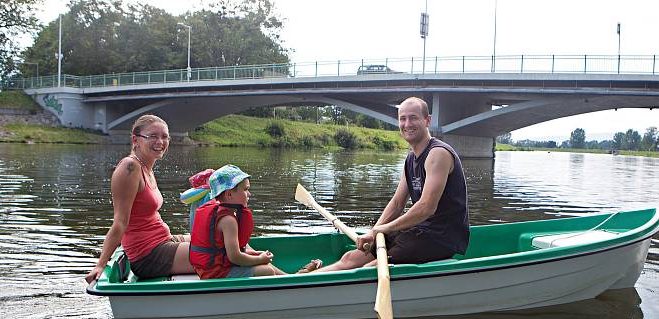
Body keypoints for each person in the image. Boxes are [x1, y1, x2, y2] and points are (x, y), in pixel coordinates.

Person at [304, 96, 469, 273]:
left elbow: (426, 207)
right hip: (419, 230)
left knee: (371, 268)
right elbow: (397, 203)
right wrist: (374, 232)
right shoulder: (411, 158)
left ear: (427, 120)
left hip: (441, 237)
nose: (407, 124)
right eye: (402, 119)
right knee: (352, 257)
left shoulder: (438, 154)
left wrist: (385, 229)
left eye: (413, 118)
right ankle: (298, 281)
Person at [85, 115, 194, 284]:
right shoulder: (129, 168)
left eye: (164, 136)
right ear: (136, 139)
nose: (160, 142)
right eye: (152, 136)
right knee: (221, 252)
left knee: (217, 238)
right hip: (148, 255)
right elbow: (120, 222)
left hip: (163, 241)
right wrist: (101, 264)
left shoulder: (146, 167)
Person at [189, 165, 291, 278]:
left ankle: (288, 277)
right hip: (216, 273)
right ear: (229, 194)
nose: (249, 194)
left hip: (209, 268)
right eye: (245, 189)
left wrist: (257, 255)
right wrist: (259, 259)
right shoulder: (228, 220)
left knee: (262, 262)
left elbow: (228, 253)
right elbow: (235, 257)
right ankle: (290, 280)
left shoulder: (218, 212)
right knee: (267, 271)